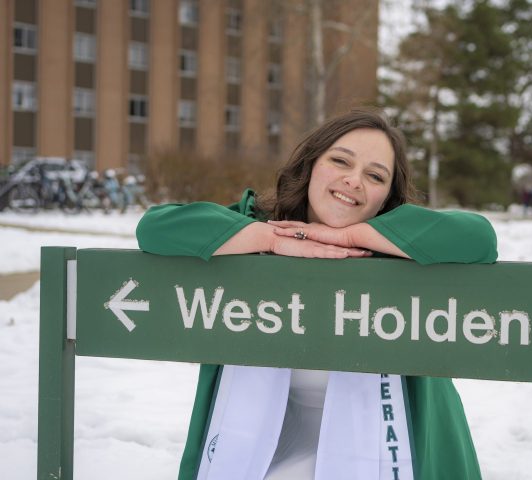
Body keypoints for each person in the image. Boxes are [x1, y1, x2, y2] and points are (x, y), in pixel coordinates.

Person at [136, 110, 498, 480]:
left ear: (387, 197)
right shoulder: (252, 232)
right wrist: (274, 239)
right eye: (340, 160)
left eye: (375, 176)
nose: (353, 180)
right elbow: (155, 228)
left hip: (384, 458)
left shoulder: (405, 249)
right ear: (310, 166)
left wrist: (350, 237)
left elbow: (481, 238)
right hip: (266, 456)